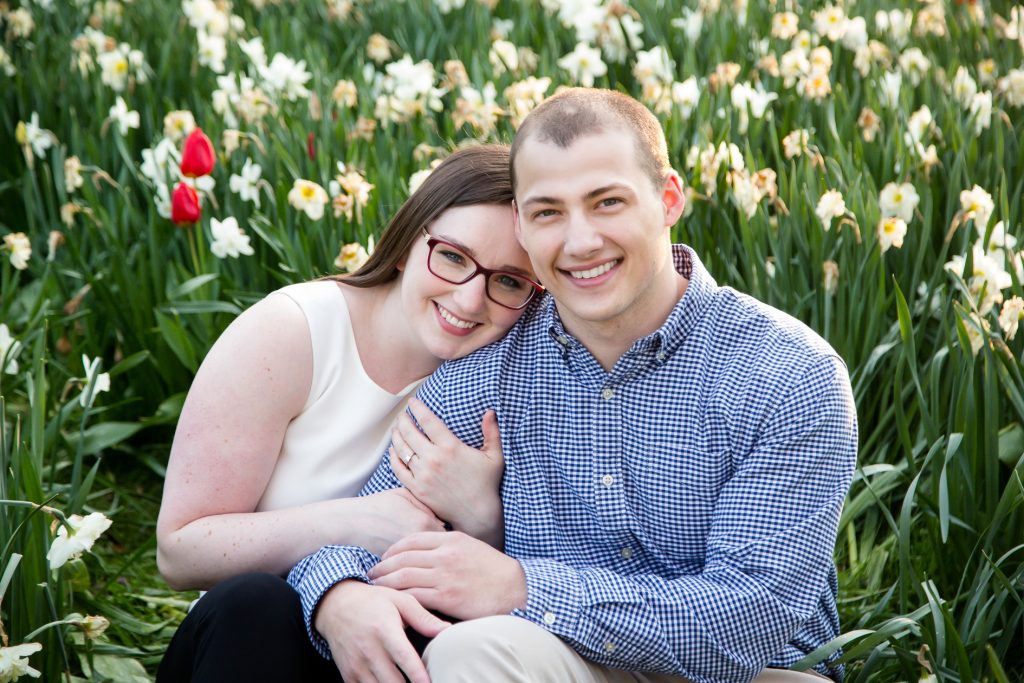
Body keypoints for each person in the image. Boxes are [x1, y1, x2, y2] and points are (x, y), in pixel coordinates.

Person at [288, 88, 858, 683]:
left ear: (668, 200)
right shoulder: (486, 363)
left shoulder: (787, 373)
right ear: (521, 225)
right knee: (471, 654)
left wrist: (520, 587)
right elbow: (368, 526)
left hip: (749, 674)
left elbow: (753, 617)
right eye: (548, 212)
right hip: (554, 660)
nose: (580, 242)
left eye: (607, 202)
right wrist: (339, 592)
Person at [154, 144, 543, 681]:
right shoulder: (293, 335)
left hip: (392, 654)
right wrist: (353, 525)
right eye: (452, 256)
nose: (471, 299)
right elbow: (180, 552)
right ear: (409, 243)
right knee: (257, 603)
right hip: (252, 650)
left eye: (508, 280)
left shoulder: (513, 373)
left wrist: (483, 516)